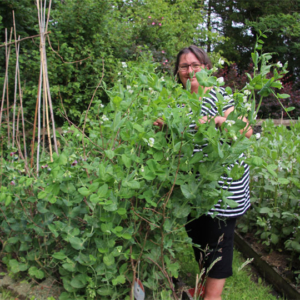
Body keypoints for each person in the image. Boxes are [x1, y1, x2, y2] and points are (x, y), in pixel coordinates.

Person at [154, 45, 253, 300]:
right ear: (178, 72)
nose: (190, 71)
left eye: (195, 65)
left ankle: (212, 297)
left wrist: (217, 121)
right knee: (200, 239)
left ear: (206, 68)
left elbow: (246, 130)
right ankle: (201, 288)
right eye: (184, 66)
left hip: (222, 187)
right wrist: (166, 125)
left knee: (218, 244)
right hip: (194, 186)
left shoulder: (220, 96)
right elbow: (180, 135)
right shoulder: (181, 99)